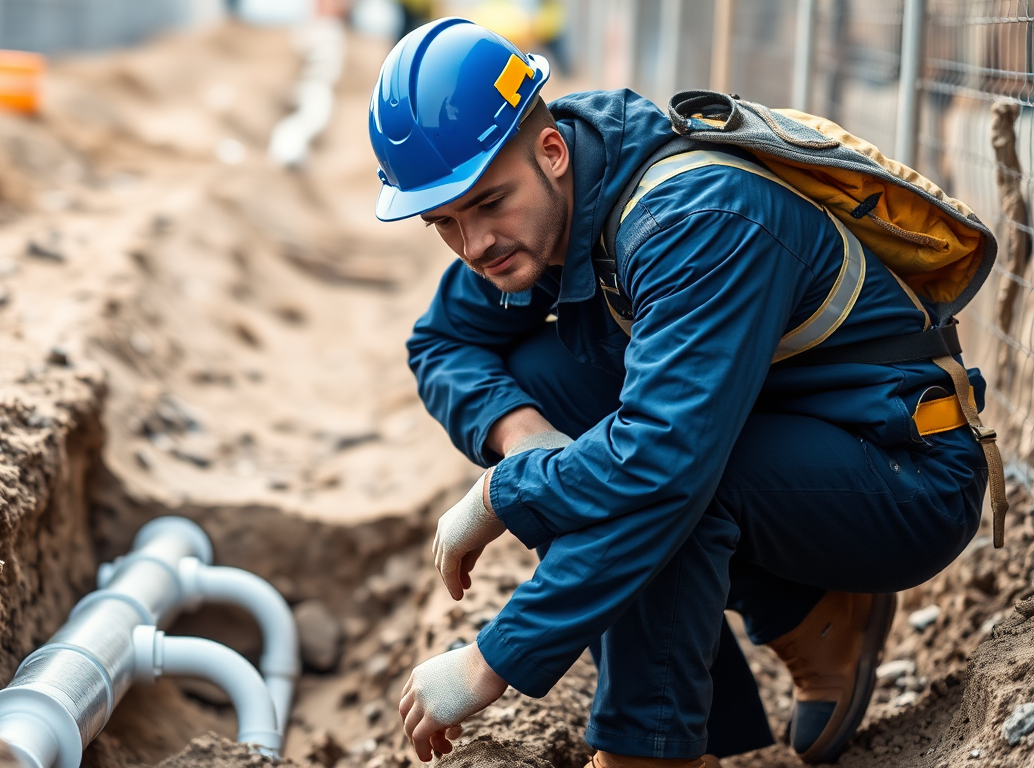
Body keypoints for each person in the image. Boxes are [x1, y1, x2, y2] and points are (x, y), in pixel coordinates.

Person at [370, 18, 993, 768]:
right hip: (767, 436)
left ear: (552, 150)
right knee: (540, 381)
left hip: (901, 473)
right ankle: (808, 615)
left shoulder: (693, 221)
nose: (474, 245)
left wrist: (493, 650)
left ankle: (648, 752)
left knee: (666, 480)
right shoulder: (547, 212)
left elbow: (661, 468)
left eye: (488, 204)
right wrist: (522, 438)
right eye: (444, 222)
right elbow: (442, 341)